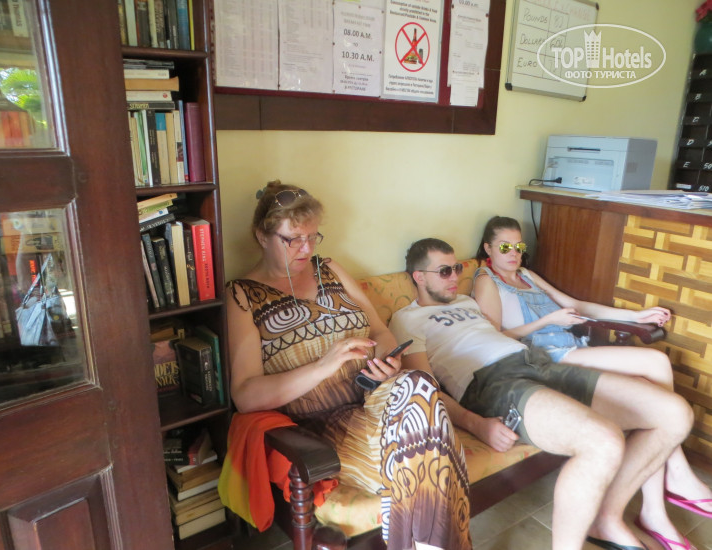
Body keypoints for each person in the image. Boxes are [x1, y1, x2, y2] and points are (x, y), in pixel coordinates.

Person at [389, 237, 695, 550]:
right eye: (444, 271)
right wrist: (475, 423)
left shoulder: (466, 303)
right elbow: (425, 389)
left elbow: (507, 330)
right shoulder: (406, 319)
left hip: (537, 361)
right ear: (419, 277)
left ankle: (607, 517)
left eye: (456, 268)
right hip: (493, 382)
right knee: (604, 441)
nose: (454, 276)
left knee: (675, 414)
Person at [226, 182, 471, 550]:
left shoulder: (329, 269)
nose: (306, 248)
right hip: (320, 428)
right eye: (293, 239)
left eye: (313, 237)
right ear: (262, 236)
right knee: (431, 455)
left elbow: (379, 331)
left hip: (372, 401)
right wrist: (324, 365)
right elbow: (245, 395)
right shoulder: (242, 295)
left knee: (419, 383)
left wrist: (388, 360)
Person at [472, 216, 712, 548]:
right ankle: (672, 482)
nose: (514, 252)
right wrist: (548, 320)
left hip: (572, 347)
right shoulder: (487, 281)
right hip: (545, 357)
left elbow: (576, 306)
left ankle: (656, 505)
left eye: (519, 245)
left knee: (652, 382)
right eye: (505, 247)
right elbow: (492, 336)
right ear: (488, 248)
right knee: (655, 363)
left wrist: (634, 315)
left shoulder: (527, 274)